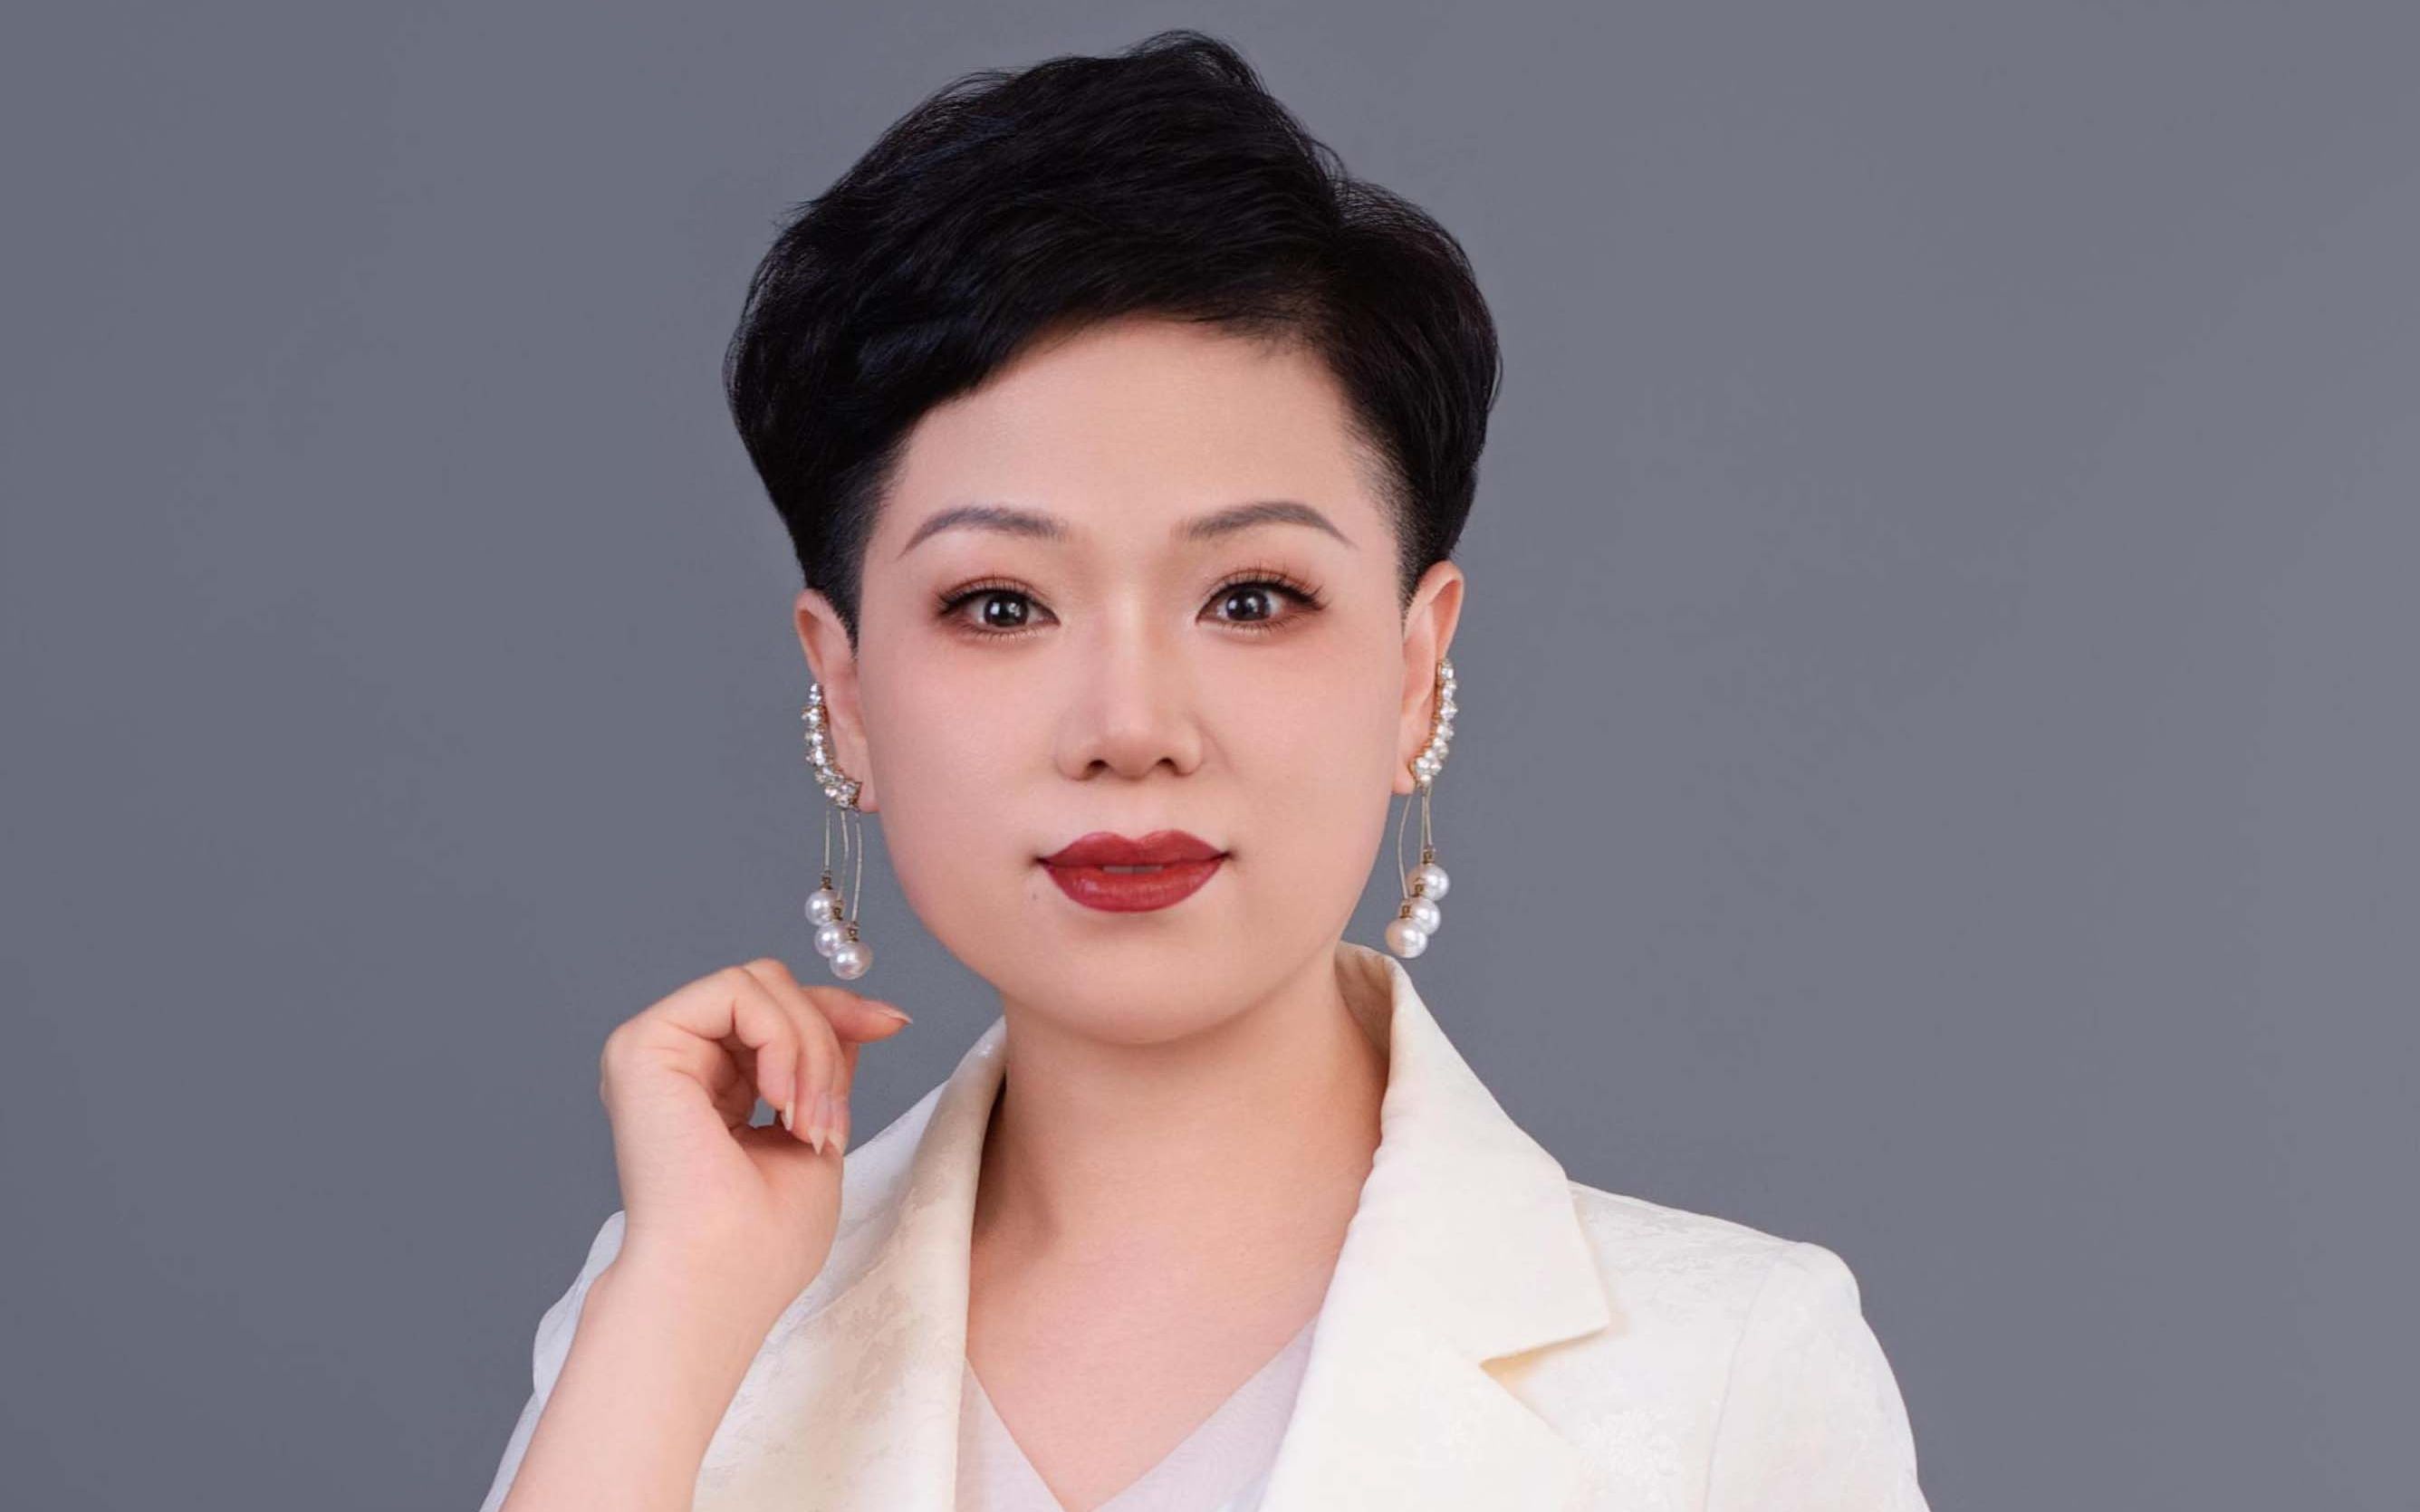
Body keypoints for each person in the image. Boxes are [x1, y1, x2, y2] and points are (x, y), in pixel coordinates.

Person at [478, 28, 1929, 1512]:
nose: (1131, 724)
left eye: (1251, 597)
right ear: (844, 691)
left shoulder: (1724, 1374)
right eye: (1001, 606)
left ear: (1416, 670)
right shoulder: (685, 1317)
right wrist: (676, 1308)